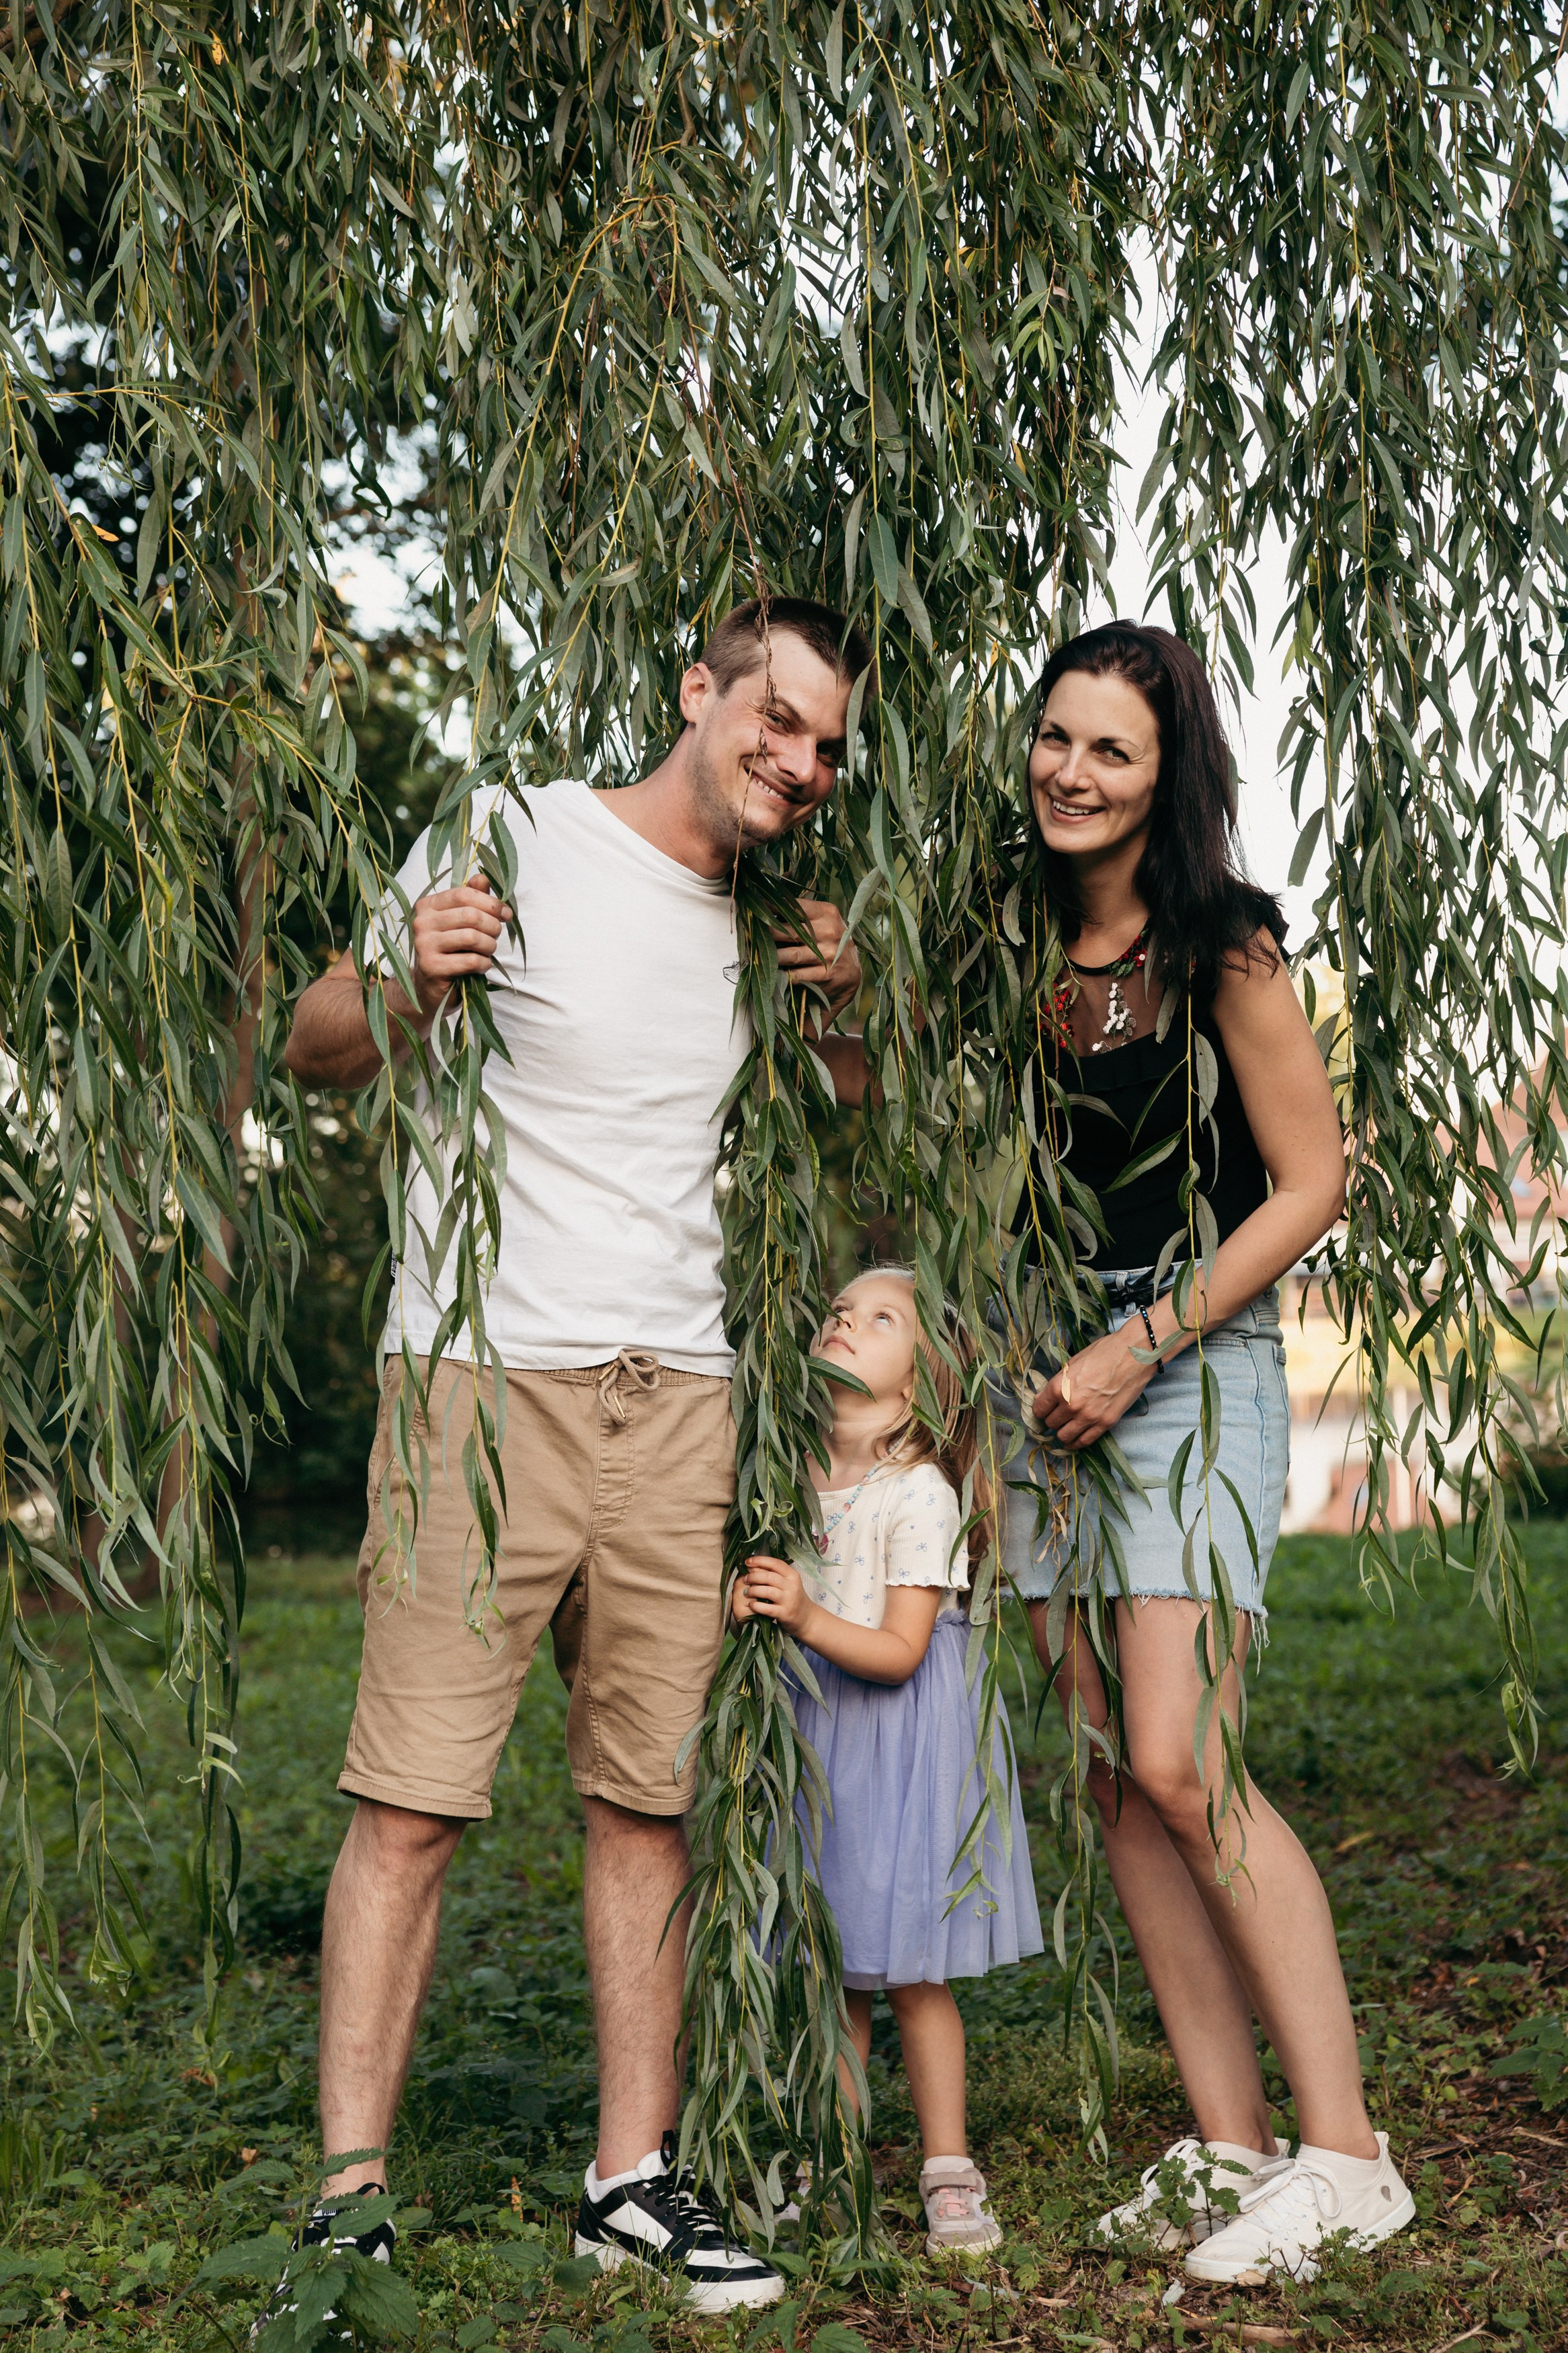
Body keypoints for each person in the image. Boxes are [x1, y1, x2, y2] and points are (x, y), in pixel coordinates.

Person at [279, 596, 874, 2317]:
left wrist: (840, 1019)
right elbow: (316, 1042)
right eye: (776, 718)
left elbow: (850, 1130)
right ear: (699, 695)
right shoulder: (512, 833)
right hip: (480, 1379)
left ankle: (634, 2177)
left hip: (678, 1399)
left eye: (828, 745)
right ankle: (346, 2198)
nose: (800, 762)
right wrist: (409, 969)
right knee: (410, 1801)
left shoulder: (775, 928)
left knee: (650, 1798)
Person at [991, 621, 1413, 2282]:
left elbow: (1311, 1182)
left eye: (1112, 751)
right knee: (1110, 1768)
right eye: (1057, 738)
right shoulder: (1011, 944)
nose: (1073, 773)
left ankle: (1349, 2156)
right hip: (1043, 1365)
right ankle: (1229, 2142)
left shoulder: (1223, 946)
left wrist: (1141, 1343)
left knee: (1186, 1757)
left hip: (1182, 1354)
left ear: (1167, 778)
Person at [734, 1268, 1042, 2258]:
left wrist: (805, 1613)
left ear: (922, 1380)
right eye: (836, 1312)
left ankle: (947, 2168)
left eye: (878, 1319)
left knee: (909, 1969)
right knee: (834, 1969)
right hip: (821, 1734)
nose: (843, 1325)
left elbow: (901, 1650)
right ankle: (828, 2156)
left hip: (899, 1734)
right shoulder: (785, 1476)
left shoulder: (919, 1491)